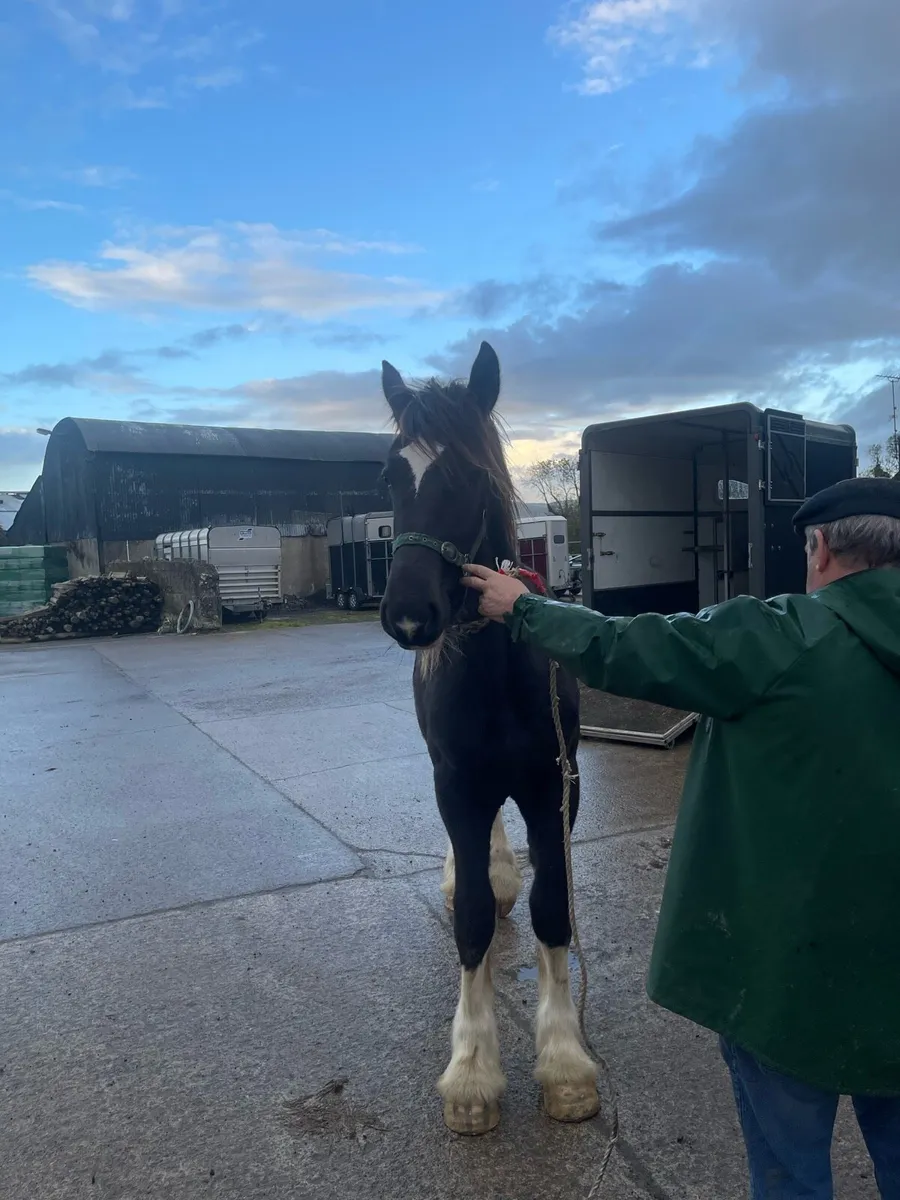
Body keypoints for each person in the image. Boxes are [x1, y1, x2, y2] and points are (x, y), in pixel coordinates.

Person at [462, 477, 900, 1200]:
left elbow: (630, 647)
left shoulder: (781, 636)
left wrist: (525, 608)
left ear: (820, 548)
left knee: (790, 1171)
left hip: (789, 982)